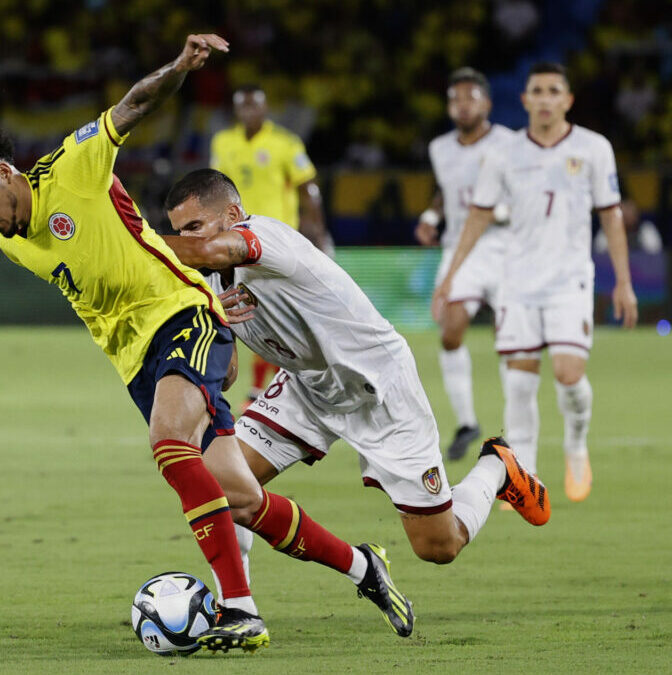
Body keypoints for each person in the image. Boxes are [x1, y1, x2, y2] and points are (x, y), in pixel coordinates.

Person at [0, 34, 402, 652]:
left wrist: (179, 68)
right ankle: (366, 567)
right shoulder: (8, 240)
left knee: (168, 443)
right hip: (136, 363)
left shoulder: (74, 167)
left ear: (3, 172)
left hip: (184, 320)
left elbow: (132, 106)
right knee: (242, 499)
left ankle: (240, 608)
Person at [162, 169, 549, 619]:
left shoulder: (265, 237)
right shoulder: (209, 280)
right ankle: (238, 609)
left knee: (439, 546)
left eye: (194, 227)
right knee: (219, 485)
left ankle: (496, 467)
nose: (186, 240)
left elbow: (206, 250)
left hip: (379, 389)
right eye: (178, 231)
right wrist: (213, 322)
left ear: (231, 215)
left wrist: (138, 241)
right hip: (307, 388)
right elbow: (226, 373)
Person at [433, 62, 638, 503]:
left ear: (567, 100)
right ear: (525, 100)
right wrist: (450, 275)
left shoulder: (593, 148)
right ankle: (525, 482)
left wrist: (623, 282)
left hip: (569, 282)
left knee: (568, 375)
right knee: (521, 384)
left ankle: (576, 442)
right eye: (537, 91)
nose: (545, 98)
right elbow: (479, 215)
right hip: (518, 282)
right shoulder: (504, 154)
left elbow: (611, 215)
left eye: (553, 91)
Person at [415, 68, 517, 461]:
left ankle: (516, 430)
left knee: (512, 341)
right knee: (451, 329)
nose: (462, 105)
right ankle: (466, 422)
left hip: (506, 246)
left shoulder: (509, 142)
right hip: (461, 247)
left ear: (487, 104)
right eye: (455, 99)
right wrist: (430, 214)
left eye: (470, 98)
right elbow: (446, 186)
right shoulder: (440, 147)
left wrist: (505, 209)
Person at [210, 84, 331, 410]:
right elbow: (216, 191)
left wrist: (317, 231)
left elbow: (309, 188)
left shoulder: (285, 144)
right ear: (237, 111)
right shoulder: (223, 142)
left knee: (275, 312)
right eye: (243, 106)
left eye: (255, 106)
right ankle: (268, 386)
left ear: (265, 110)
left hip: (278, 243)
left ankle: (268, 385)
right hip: (237, 243)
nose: (249, 112)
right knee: (251, 312)